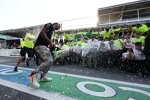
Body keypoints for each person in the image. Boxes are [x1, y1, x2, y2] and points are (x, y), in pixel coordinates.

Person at [28, 22, 61, 88]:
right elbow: (42, 33)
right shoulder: (50, 25)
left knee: (49, 61)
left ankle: (42, 77)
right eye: (59, 25)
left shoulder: (52, 31)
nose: (59, 27)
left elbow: (46, 39)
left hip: (44, 46)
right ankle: (33, 74)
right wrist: (50, 42)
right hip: (40, 46)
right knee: (49, 61)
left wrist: (51, 44)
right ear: (55, 24)